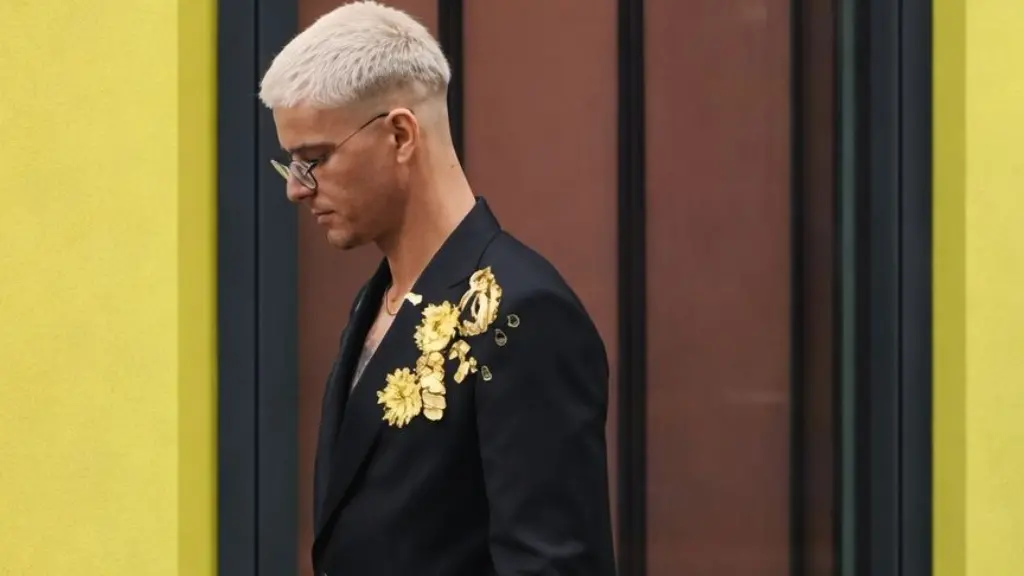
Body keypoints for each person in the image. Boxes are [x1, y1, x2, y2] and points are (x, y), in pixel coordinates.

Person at [259, 2, 616, 574]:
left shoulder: (523, 313)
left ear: (401, 134)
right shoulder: (375, 299)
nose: (297, 189)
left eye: (314, 160)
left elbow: (552, 562)